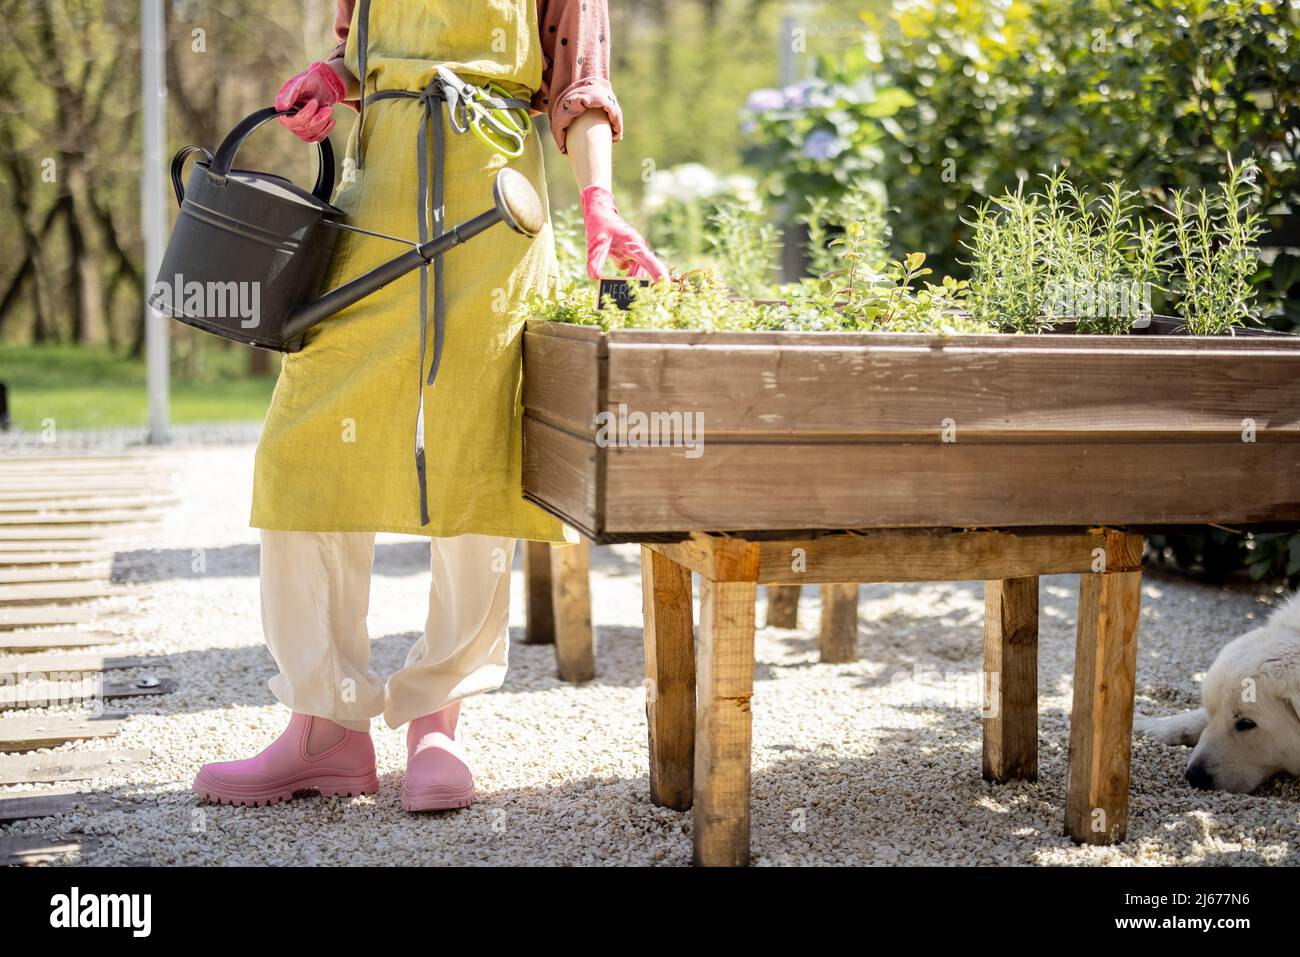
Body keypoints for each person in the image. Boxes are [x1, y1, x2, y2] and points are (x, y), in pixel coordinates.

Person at [193, 0, 667, 812]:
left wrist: (600, 201)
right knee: (306, 445)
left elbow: (580, 85)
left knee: (476, 450)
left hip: (499, 205)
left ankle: (436, 719)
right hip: (374, 201)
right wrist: (331, 79)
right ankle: (324, 721)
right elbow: (360, 48)